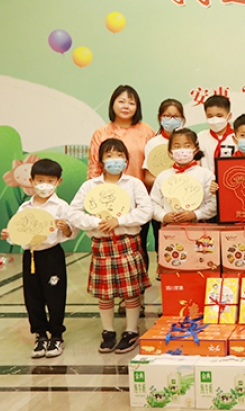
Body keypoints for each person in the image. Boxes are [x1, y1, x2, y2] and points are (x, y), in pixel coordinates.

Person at [67, 138, 153, 354]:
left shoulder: (134, 184)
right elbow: (73, 213)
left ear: (126, 160)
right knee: (104, 293)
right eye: (109, 155)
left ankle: (131, 330)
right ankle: (108, 331)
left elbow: (146, 211)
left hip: (127, 242)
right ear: (101, 161)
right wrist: (96, 222)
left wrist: (119, 221)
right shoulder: (90, 186)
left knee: (131, 292)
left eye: (119, 155)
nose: (115, 160)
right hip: (101, 244)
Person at [0, 159, 77, 359]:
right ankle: (40, 335)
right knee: (32, 295)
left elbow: (71, 232)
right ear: (31, 181)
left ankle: (57, 335)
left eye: (50, 181)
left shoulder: (61, 206)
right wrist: (8, 234)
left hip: (52, 255)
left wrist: (65, 227)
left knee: (55, 295)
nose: (44, 185)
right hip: (31, 255)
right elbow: (17, 232)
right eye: (40, 180)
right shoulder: (25, 207)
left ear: (58, 182)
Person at [142, 99, 185, 270]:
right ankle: (165, 273)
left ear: (182, 118)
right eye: (167, 116)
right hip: (162, 204)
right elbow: (148, 178)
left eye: (176, 116)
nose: (171, 120)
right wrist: (168, 182)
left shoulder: (190, 140)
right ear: (160, 117)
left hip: (187, 203)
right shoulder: (153, 143)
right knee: (163, 245)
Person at [87, 85, 155, 182]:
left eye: (131, 103)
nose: (126, 106)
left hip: (141, 189)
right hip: (110, 189)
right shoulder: (101, 133)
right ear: (112, 104)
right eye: (121, 102)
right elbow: (94, 169)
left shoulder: (147, 131)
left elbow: (154, 164)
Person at [150, 128, 218, 224]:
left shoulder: (206, 175)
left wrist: (195, 214)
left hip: (199, 226)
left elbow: (213, 203)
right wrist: (163, 216)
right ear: (170, 151)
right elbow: (153, 203)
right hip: (170, 228)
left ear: (196, 150)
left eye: (187, 146)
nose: (182, 150)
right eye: (177, 146)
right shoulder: (163, 176)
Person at [198, 95, 236, 172]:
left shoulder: (237, 138)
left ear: (229, 116)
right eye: (210, 116)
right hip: (206, 179)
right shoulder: (200, 137)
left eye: (219, 116)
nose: (214, 119)